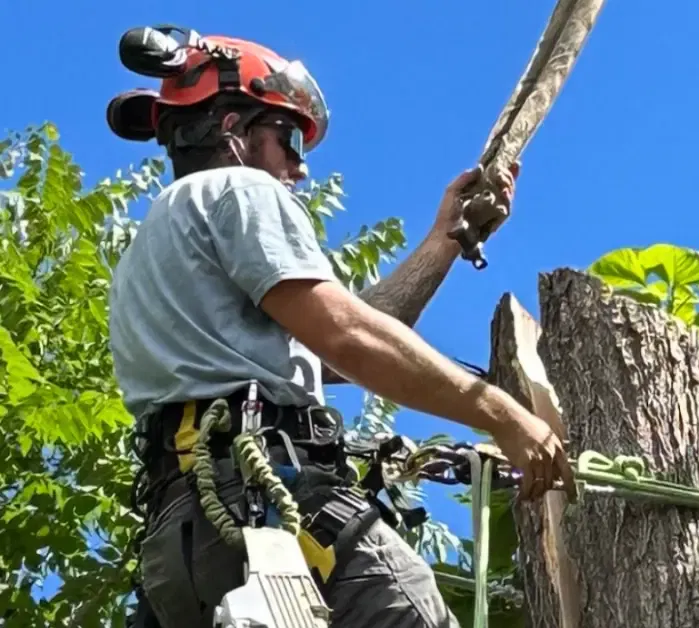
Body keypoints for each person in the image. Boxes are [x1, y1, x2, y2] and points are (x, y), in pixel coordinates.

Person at [105, 32, 574, 628]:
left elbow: (331, 346)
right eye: (291, 137)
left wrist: (445, 240)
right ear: (232, 128)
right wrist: (503, 413)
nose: (301, 165)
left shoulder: (152, 251)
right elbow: (348, 338)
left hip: (183, 543)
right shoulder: (240, 190)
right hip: (270, 496)